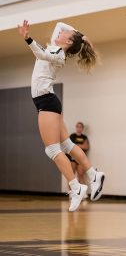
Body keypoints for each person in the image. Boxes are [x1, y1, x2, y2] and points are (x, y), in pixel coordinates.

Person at [18, 20, 105, 212]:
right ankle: (92, 174)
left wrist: (27, 38)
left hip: (46, 102)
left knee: (52, 150)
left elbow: (40, 52)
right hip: (49, 102)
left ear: (67, 41)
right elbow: (59, 24)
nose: (59, 32)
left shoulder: (58, 53)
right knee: (66, 145)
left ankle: (76, 187)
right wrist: (80, 34)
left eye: (63, 34)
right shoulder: (56, 46)